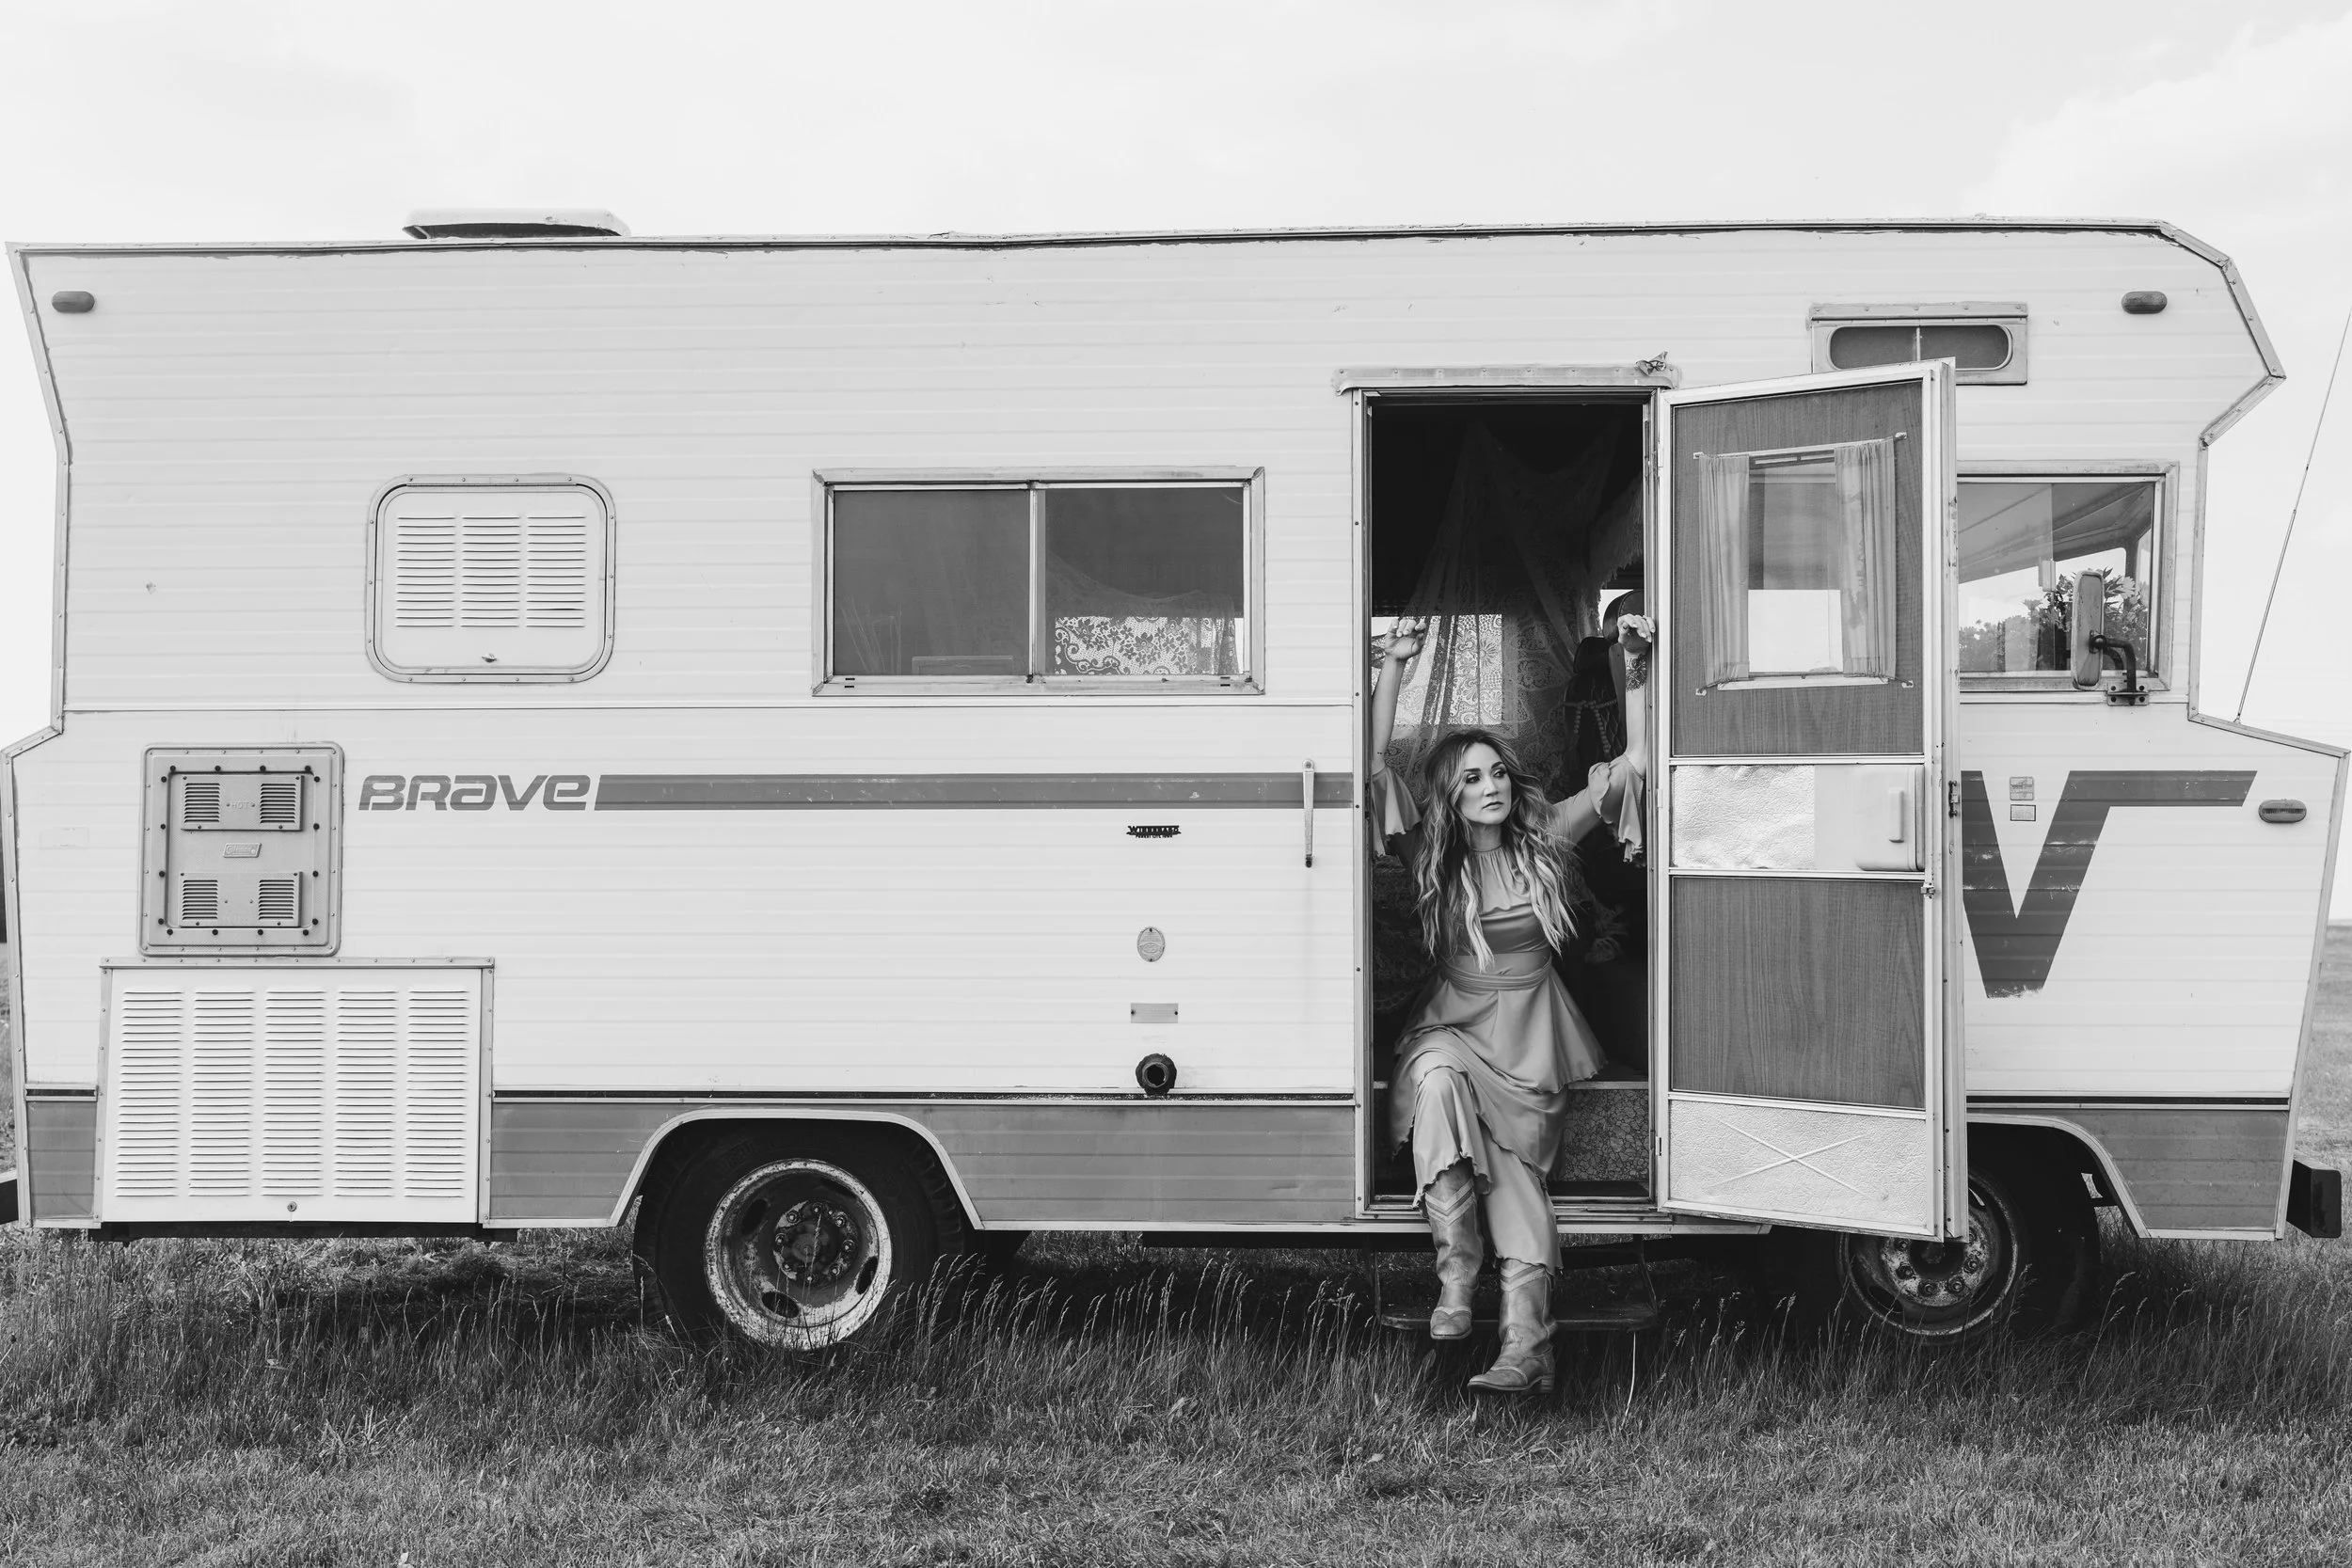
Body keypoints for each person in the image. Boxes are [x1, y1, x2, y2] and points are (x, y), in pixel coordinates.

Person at [1368, 611, 1652, 1394]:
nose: (1490, 786)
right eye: (1471, 777)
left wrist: (1635, 670)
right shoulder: (1429, 850)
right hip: (1454, 1024)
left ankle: (1526, 1345)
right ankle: (1457, 1277)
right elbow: (1364, 769)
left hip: (1531, 1036)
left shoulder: (1549, 836)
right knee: (1433, 1079)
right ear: (1450, 796)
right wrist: (1391, 667)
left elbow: (1632, 764)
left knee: (1513, 1170)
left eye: (1496, 772)